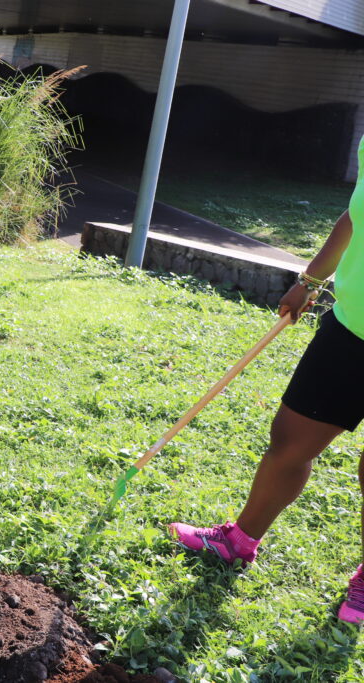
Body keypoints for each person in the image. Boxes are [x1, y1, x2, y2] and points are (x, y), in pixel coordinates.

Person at [169, 141, 364, 624]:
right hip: (350, 328)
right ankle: (239, 541)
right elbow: (355, 214)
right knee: (290, 441)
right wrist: (313, 279)